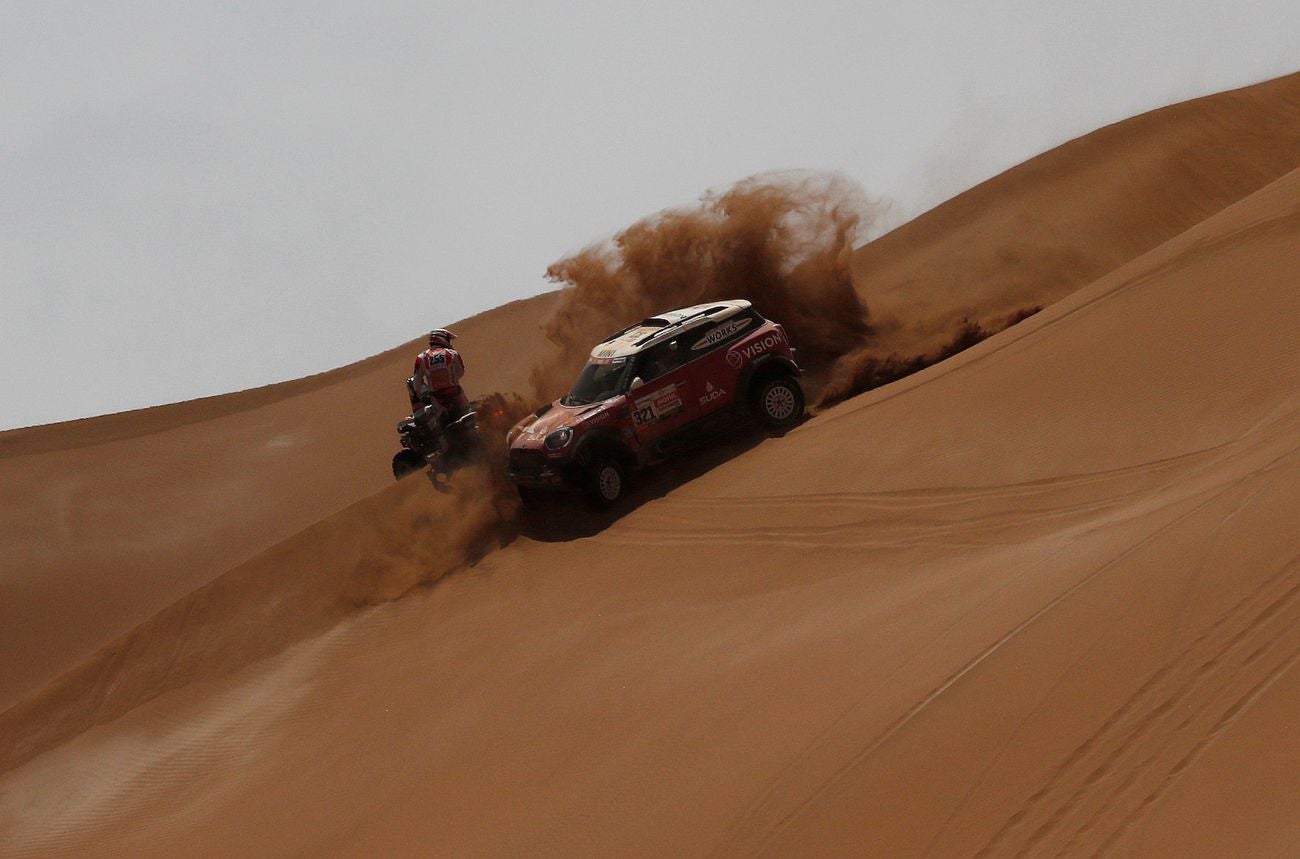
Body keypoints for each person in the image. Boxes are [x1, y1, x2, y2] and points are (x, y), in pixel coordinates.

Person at [410, 328, 468, 420]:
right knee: (467, 411)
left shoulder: (421, 358)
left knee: (439, 421)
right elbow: (461, 372)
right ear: (442, 339)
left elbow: (417, 380)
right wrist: (452, 379)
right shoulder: (452, 353)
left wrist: (419, 395)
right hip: (454, 391)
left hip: (437, 396)